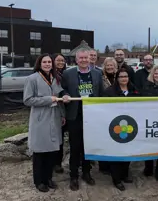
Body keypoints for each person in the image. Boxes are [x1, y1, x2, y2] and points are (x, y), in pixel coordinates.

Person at [61, 49, 105, 191]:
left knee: (88, 146)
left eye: (86, 58)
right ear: (76, 59)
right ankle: (74, 176)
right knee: (75, 147)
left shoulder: (97, 74)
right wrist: (65, 95)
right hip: (75, 115)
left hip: (92, 115)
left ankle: (86, 173)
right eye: (81, 58)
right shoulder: (68, 73)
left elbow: (101, 93)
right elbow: (63, 90)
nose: (84, 60)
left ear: (90, 58)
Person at [23, 53, 67, 192]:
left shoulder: (56, 78)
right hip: (40, 119)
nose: (47, 64)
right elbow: (28, 100)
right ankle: (39, 181)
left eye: (49, 62)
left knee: (52, 151)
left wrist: (62, 113)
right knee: (40, 151)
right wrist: (49, 99)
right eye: (45, 62)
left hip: (54, 117)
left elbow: (59, 97)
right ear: (39, 64)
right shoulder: (32, 79)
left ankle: (48, 178)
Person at [103, 67, 139, 190]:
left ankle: (124, 174)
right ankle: (116, 179)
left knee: (128, 151)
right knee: (116, 153)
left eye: (126, 76)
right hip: (115, 126)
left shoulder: (134, 90)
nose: (124, 79)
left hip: (130, 126)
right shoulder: (109, 92)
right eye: (121, 76)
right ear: (117, 78)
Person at [51, 53, 68, 174]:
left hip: (65, 109)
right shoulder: (51, 75)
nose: (61, 62)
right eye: (58, 60)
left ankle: (58, 162)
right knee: (55, 137)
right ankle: (53, 163)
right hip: (55, 109)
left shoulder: (65, 74)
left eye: (63, 60)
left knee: (60, 138)